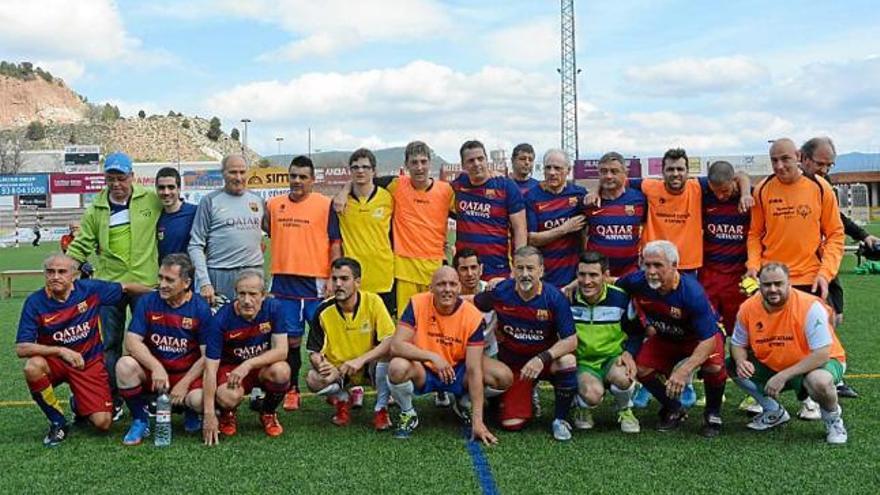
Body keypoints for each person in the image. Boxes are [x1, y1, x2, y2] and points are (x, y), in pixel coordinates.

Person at [747, 138, 845, 420]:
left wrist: (825, 274)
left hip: (808, 278)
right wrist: (754, 265)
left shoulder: (820, 187)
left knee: (809, 340)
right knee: (766, 336)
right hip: (771, 279)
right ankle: (767, 393)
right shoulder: (764, 188)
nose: (779, 166)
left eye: (785, 159)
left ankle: (810, 398)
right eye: (774, 160)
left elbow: (835, 235)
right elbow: (755, 233)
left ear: (799, 157)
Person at [66, 151, 163, 419]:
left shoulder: (150, 199)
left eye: (121, 178)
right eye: (111, 179)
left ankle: (152, 396)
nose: (117, 184)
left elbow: (174, 211)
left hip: (145, 283)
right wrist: (65, 270)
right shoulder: (96, 208)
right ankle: (114, 396)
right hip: (109, 285)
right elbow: (83, 243)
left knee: (148, 341)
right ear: (105, 179)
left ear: (132, 176)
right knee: (109, 343)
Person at [16, 253, 148, 446]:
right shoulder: (35, 302)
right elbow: (22, 348)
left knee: (103, 423)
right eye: (50, 272)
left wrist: (160, 295)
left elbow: (126, 287)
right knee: (32, 367)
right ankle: (58, 422)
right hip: (57, 361)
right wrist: (61, 351)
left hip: (88, 362)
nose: (55, 276)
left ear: (73, 275)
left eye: (62, 272)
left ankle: (77, 403)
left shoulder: (90, 290)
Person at [616, 240, 728, 437]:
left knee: (714, 367)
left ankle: (712, 413)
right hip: (666, 337)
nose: (650, 271)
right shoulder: (637, 281)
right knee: (639, 368)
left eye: (658, 265)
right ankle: (673, 408)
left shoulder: (692, 293)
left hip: (700, 339)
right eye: (647, 264)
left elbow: (709, 339)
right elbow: (614, 286)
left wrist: (684, 371)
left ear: (675, 266)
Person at [728, 262, 848, 444]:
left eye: (778, 284)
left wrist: (783, 376)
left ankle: (833, 420)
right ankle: (773, 411)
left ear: (789, 283)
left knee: (819, 382)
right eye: (767, 285)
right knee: (731, 365)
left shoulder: (809, 307)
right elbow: (737, 344)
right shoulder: (748, 308)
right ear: (759, 285)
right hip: (778, 363)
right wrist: (740, 361)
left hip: (821, 362)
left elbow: (822, 354)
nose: (773, 289)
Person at [387, 266, 511, 442]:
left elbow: (474, 369)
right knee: (397, 367)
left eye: (452, 284)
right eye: (441, 284)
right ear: (431, 288)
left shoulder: (473, 316)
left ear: (459, 288)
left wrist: (478, 421)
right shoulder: (417, 303)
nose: (447, 289)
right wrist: (432, 357)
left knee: (503, 376)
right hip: (425, 369)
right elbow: (397, 346)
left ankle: (463, 401)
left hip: (458, 370)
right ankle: (408, 412)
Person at [335, 141, 454, 319]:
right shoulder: (396, 185)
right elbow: (363, 180)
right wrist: (345, 190)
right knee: (406, 324)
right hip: (404, 269)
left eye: (423, 161)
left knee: (436, 320)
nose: (419, 167)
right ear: (406, 165)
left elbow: (467, 214)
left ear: (430, 162)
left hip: (435, 266)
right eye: (414, 162)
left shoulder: (446, 191)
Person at [473, 246, 578, 441]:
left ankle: (560, 419)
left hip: (543, 363)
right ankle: (520, 395)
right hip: (514, 367)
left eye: (530, 268)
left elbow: (571, 341)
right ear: (512, 270)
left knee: (568, 361)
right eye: (520, 268)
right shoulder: (501, 292)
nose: (525, 274)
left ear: (541, 270)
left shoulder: (554, 297)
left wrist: (542, 358)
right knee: (511, 424)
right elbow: (473, 303)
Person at [265, 155, 342, 411]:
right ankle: (293, 389)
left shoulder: (325, 204)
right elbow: (268, 231)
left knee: (327, 338)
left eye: (302, 176)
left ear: (313, 180)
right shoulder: (274, 205)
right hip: (283, 283)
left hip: (316, 282)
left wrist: (333, 275)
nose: (297, 181)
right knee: (291, 341)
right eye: (293, 176)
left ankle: (334, 384)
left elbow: (334, 242)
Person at [116, 253, 216, 445]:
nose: (162, 284)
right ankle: (140, 419)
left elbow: (207, 356)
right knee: (124, 365)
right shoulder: (148, 301)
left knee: (200, 400)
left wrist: (185, 383)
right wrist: (155, 367)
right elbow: (132, 342)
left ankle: (189, 410)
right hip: (156, 373)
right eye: (160, 277)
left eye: (169, 280)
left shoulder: (200, 308)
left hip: (186, 373)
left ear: (186, 283)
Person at [799, 136, 872, 399]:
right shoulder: (788, 186)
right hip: (798, 268)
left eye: (830, 165)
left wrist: (863, 235)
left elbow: (837, 221)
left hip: (825, 264)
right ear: (803, 159)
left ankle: (830, 374)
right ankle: (806, 382)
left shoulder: (823, 185)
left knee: (834, 317)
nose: (825, 170)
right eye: (821, 164)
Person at [201, 270, 294, 442]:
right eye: (241, 294)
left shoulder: (274, 308)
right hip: (231, 371)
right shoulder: (220, 320)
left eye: (253, 294)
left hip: (259, 368)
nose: (247, 300)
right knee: (227, 397)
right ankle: (227, 413)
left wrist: (248, 364)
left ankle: (268, 412)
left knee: (282, 370)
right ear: (235, 294)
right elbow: (210, 369)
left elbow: (282, 351)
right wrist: (209, 414)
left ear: (264, 295)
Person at [306, 258, 395, 430]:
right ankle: (342, 399)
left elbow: (389, 340)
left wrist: (360, 360)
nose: (338, 284)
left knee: (390, 356)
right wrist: (323, 365)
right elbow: (313, 351)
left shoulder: (374, 302)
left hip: (369, 367)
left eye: (344, 279)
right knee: (313, 379)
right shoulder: (323, 310)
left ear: (358, 282)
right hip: (340, 369)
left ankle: (381, 409)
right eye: (334, 279)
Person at [570, 252, 640, 433]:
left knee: (625, 378)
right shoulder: (567, 298)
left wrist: (629, 353)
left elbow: (636, 332)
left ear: (605, 276)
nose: (587, 281)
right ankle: (582, 407)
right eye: (582, 274)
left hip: (612, 358)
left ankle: (625, 409)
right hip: (584, 363)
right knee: (592, 394)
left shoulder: (620, 298)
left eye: (593, 275)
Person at [188, 154, 265, 307]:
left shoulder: (257, 200)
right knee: (218, 327)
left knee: (251, 328)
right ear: (223, 173)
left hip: (252, 274)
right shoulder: (210, 201)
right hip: (220, 275)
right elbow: (195, 245)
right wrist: (204, 282)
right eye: (233, 172)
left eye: (242, 172)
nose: (238, 177)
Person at [453, 139, 527, 280]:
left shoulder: (506, 186)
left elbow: (520, 229)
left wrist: (519, 265)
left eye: (480, 159)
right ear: (463, 165)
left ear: (487, 160)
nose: (477, 164)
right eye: (471, 160)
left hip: (497, 268)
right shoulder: (456, 187)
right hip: (465, 270)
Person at [337, 148, 395, 314]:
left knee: (384, 332)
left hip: (383, 276)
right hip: (353, 278)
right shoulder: (340, 202)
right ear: (350, 171)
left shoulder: (388, 198)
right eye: (355, 167)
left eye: (365, 167)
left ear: (374, 171)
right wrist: (344, 191)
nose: (360, 170)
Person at [525, 149, 587, 287]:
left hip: (573, 277)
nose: (552, 172)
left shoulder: (579, 194)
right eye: (548, 168)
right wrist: (564, 229)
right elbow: (531, 239)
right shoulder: (532, 197)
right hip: (543, 276)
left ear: (568, 170)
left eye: (557, 168)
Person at [583, 152, 646, 277]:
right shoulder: (588, 202)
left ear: (625, 174)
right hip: (597, 277)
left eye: (614, 171)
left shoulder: (639, 199)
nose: (608, 176)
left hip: (629, 274)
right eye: (604, 171)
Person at [453, 248, 498, 358]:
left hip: (488, 352)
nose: (470, 273)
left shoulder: (494, 291)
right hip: (459, 353)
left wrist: (501, 281)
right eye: (464, 269)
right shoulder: (449, 295)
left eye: (473, 268)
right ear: (456, 272)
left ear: (481, 269)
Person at [155, 167, 198, 262]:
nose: (166, 192)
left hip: (188, 275)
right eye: (161, 188)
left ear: (179, 189)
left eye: (171, 187)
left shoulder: (195, 213)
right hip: (164, 274)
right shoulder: (155, 216)